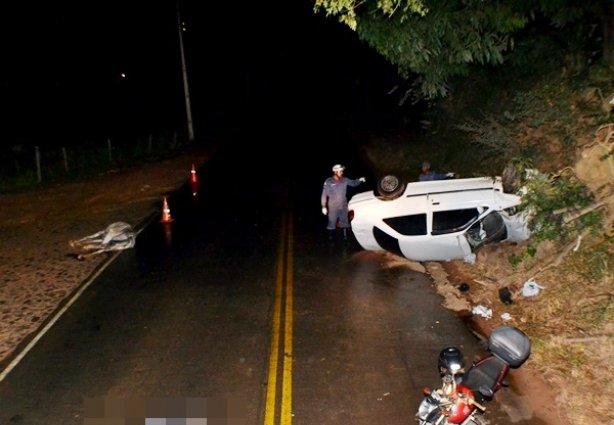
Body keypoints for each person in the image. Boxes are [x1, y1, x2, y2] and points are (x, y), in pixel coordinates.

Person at [321, 164, 365, 240]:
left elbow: (353, 183)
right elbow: (324, 194)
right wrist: (323, 206)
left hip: (343, 205)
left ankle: (345, 240)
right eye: (340, 171)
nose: (342, 172)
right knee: (332, 223)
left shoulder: (344, 179)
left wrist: (359, 180)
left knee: (345, 222)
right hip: (333, 206)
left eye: (342, 171)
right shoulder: (328, 181)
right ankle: (330, 241)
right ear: (335, 171)